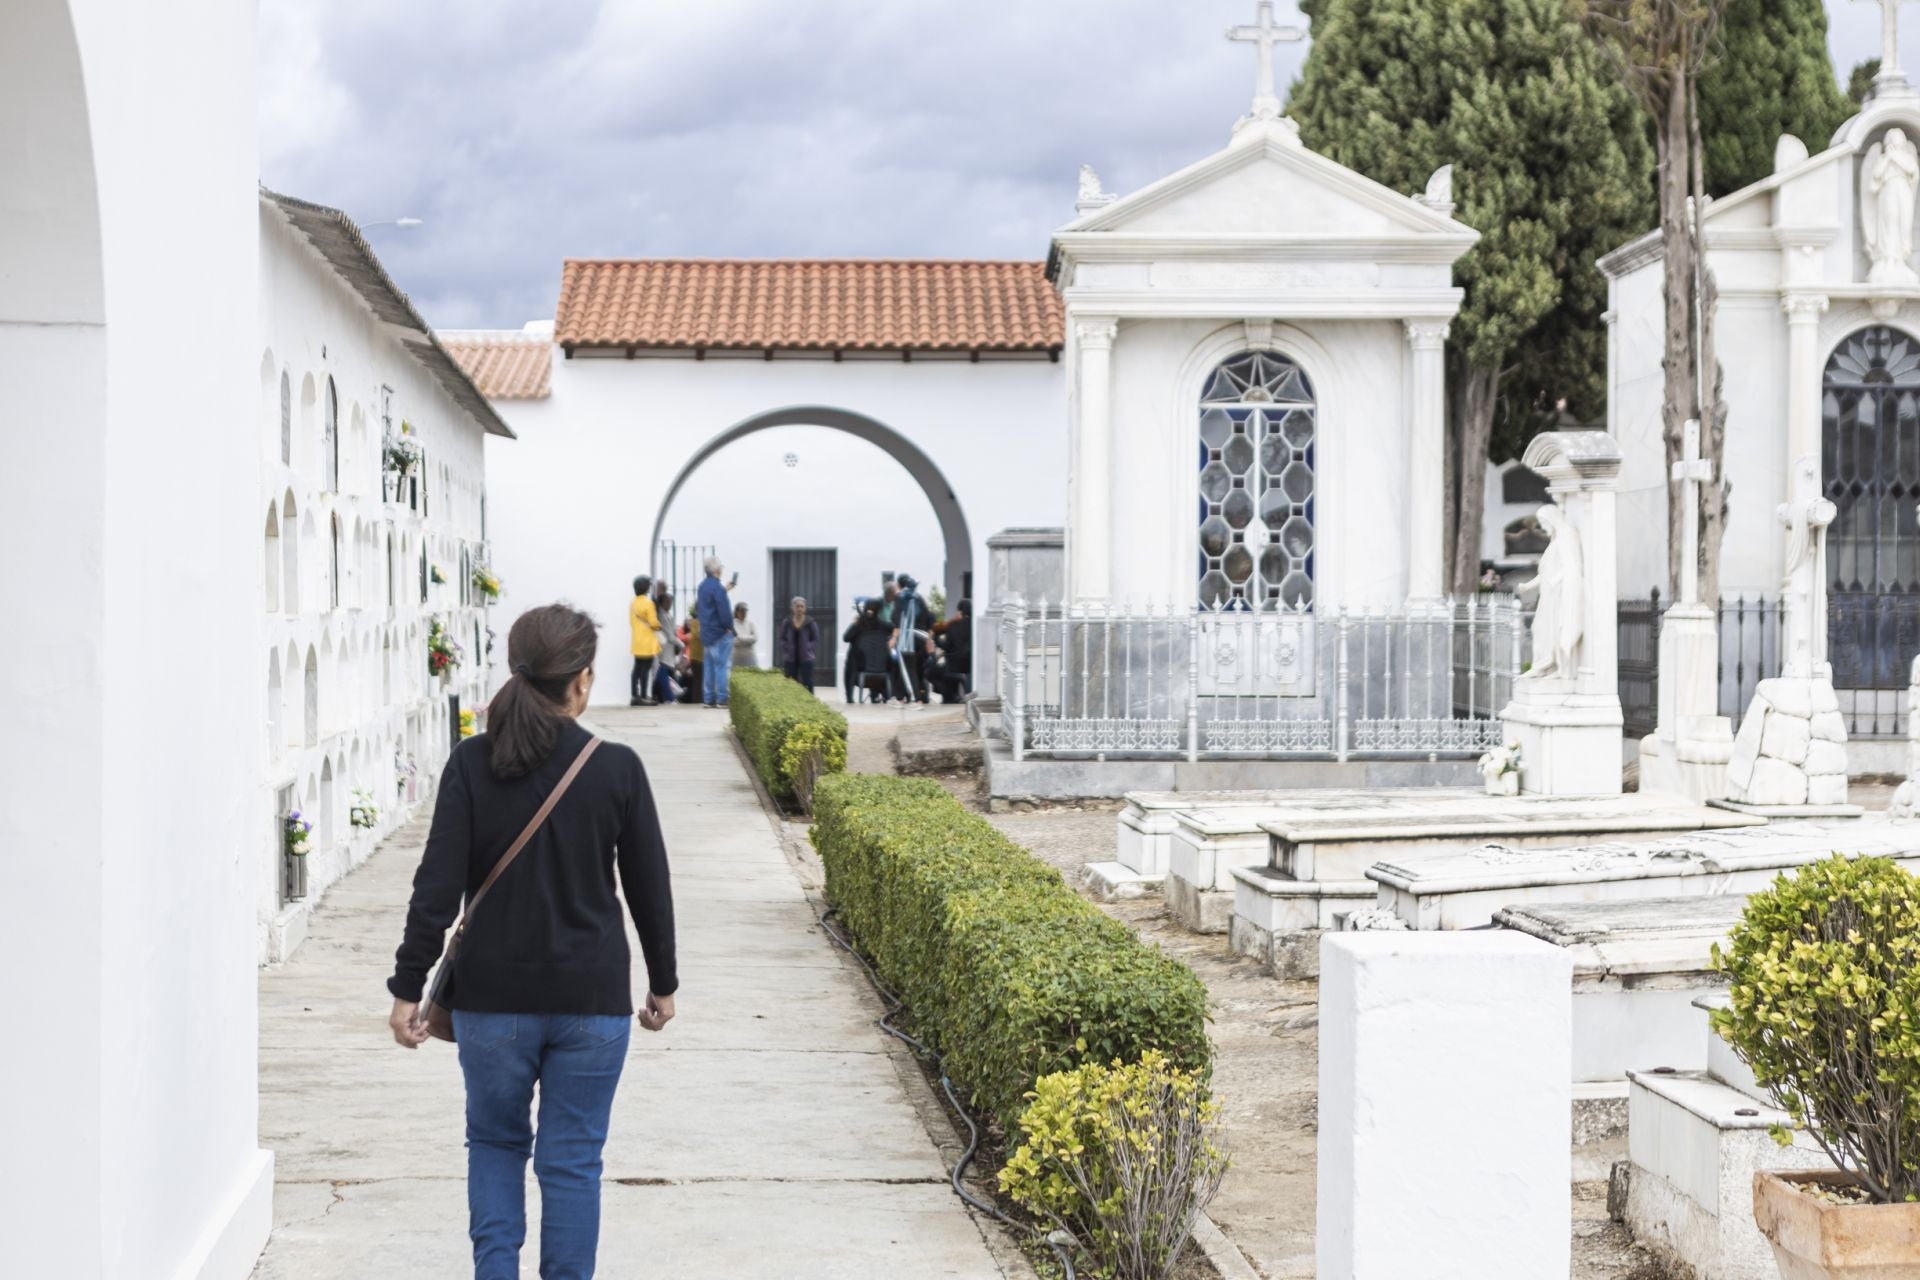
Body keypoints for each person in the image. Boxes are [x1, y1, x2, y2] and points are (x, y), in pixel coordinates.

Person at [386, 603, 677, 1280]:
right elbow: (650, 889)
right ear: (582, 679)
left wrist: (407, 987)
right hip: (592, 1001)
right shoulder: (616, 768)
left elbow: (436, 888)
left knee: (494, 1143)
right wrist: (663, 984)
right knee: (572, 1161)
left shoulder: (471, 762)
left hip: (491, 1002)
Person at [695, 556, 736, 708]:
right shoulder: (718, 588)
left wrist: (725, 590)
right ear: (717, 569)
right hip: (719, 632)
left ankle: (708, 699)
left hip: (707, 632)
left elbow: (705, 606)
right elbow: (723, 610)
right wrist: (728, 627)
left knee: (709, 666)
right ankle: (722, 698)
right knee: (722, 666)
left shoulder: (702, 587)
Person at [844, 599, 894, 703]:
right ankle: (882, 695)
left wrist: (854, 623)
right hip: (882, 668)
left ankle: (849, 697)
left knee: (852, 657)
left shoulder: (858, 626)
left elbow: (846, 638)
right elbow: (895, 629)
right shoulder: (884, 626)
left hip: (860, 668)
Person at [628, 575, 661, 706]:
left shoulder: (633, 603)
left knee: (636, 668)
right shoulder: (648, 603)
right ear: (646, 588)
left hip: (637, 641)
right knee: (645, 669)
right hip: (647, 642)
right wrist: (658, 626)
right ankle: (643, 696)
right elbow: (653, 622)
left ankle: (634, 695)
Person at [777, 596, 820, 687]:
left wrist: (809, 648)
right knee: (791, 683)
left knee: (808, 682)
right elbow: (781, 637)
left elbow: (815, 638)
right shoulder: (787, 622)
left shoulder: (810, 622)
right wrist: (786, 647)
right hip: (790, 658)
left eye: (802, 606)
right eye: (797, 606)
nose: (799, 608)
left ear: (805, 608)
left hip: (806, 658)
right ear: (793, 608)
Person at [937, 598, 972, 702]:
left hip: (954, 663)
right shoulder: (974, 625)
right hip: (969, 663)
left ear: (960, 611)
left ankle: (949, 698)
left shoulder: (953, 625)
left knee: (935, 671)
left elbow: (947, 645)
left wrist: (936, 640)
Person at [678, 607, 703, 705]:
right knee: (693, 680)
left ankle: (693, 699)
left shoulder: (694, 630)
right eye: (688, 622)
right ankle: (690, 698)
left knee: (695, 680)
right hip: (689, 659)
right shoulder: (687, 631)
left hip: (692, 658)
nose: (689, 623)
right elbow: (681, 637)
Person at [732, 603, 758, 669]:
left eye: (745, 611)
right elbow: (732, 641)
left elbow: (755, 638)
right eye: (741, 611)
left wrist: (740, 637)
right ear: (737, 612)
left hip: (750, 657)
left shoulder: (750, 623)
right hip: (736, 657)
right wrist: (747, 640)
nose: (743, 613)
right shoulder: (732, 624)